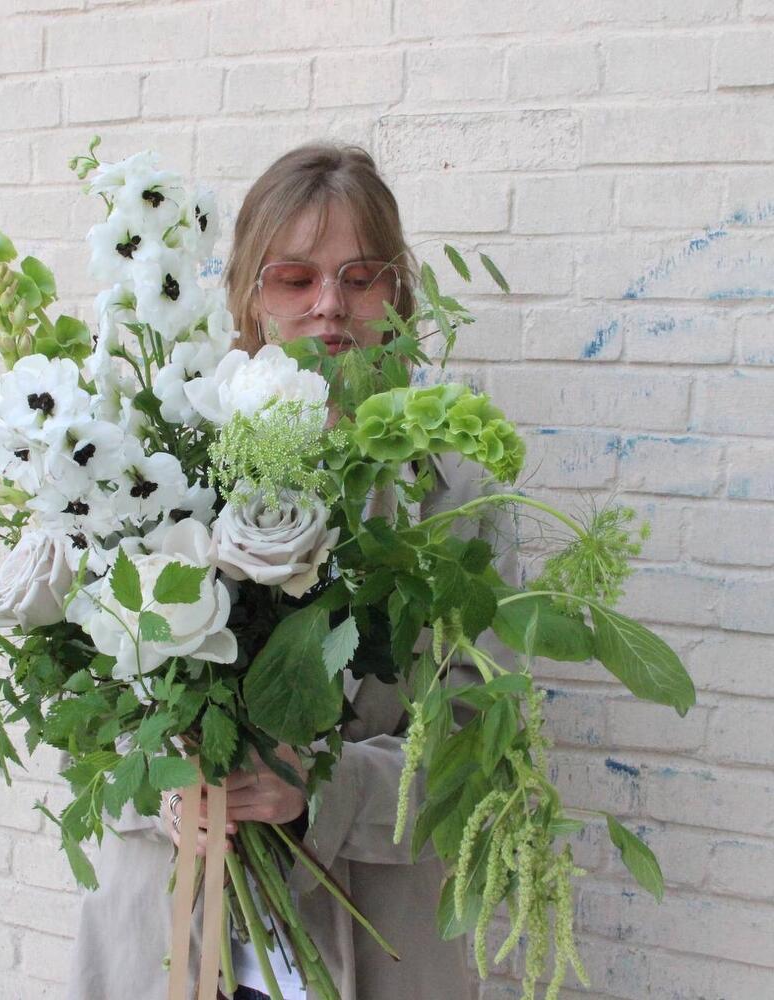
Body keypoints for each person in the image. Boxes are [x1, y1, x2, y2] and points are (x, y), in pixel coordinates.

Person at [66, 143, 519, 1000]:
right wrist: (162, 785)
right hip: (167, 941)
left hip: (369, 951)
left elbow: (480, 753)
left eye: (360, 276)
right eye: (294, 277)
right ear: (249, 295)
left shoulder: (451, 498)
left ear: (398, 295)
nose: (329, 305)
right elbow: (82, 711)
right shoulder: (166, 467)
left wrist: (319, 790)